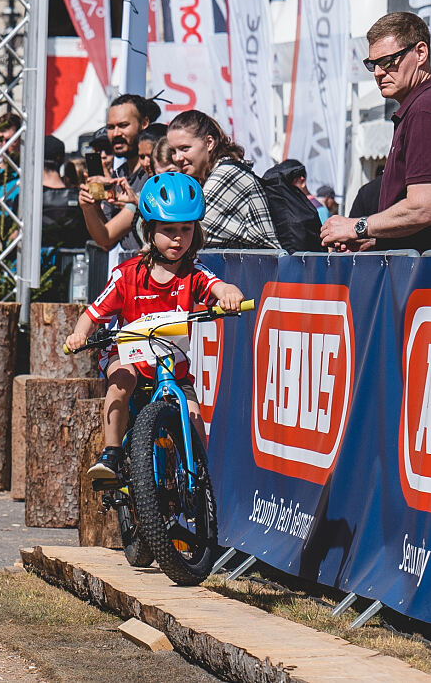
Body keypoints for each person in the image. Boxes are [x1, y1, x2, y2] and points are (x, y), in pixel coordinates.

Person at [65, 172, 245, 480]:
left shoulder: (195, 273)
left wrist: (230, 295)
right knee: (122, 381)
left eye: (186, 229)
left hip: (170, 362)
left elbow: (222, 287)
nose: (178, 238)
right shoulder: (127, 274)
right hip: (127, 352)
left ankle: (196, 478)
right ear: (149, 231)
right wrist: (81, 332)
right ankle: (111, 454)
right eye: (168, 229)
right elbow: (93, 313)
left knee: (193, 417)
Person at [322, 11, 431, 253]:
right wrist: (375, 240)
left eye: (389, 61)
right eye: (374, 64)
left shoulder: (424, 108)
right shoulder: (415, 107)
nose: (379, 73)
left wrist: (358, 227)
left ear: (421, 53)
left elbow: (423, 207)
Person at [169, 110, 282, 250]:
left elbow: (193, 231)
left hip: (263, 269)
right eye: (173, 151)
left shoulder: (227, 173)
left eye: (184, 148)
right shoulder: (208, 176)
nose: (177, 158)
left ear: (209, 143)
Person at [41, 134, 89, 249]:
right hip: (74, 264)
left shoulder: (28, 198)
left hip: (37, 264)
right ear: (63, 159)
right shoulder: (81, 198)